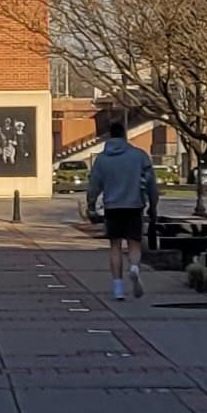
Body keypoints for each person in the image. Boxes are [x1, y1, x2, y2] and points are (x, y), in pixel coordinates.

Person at [85, 118, 157, 301]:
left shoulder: (101, 159)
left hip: (112, 206)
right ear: (125, 135)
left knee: (115, 246)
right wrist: (153, 204)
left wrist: (91, 204)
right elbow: (150, 182)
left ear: (110, 135)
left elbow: (94, 184)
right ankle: (134, 266)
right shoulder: (139, 156)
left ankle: (118, 286)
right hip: (134, 205)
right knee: (134, 242)